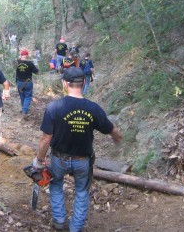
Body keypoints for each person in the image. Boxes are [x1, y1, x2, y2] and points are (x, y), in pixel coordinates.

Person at [32, 67, 122, 231]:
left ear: (65, 83)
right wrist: (117, 139)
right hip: (83, 161)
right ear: (85, 82)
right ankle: (75, 228)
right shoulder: (93, 108)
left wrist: (39, 160)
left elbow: (46, 139)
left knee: (56, 185)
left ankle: (59, 220)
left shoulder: (54, 107)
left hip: (59, 159)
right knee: (81, 192)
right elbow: (112, 129)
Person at [16, 49, 39, 120]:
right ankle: (24, 111)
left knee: (22, 96)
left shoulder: (17, 63)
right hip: (28, 82)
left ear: (21, 55)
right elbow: (37, 72)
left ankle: (23, 109)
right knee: (28, 96)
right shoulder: (30, 64)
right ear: (27, 56)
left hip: (19, 82)